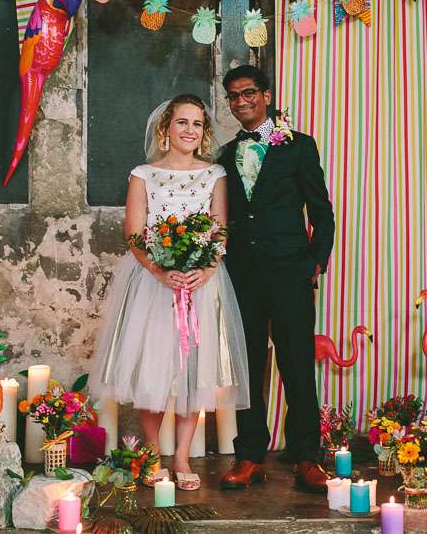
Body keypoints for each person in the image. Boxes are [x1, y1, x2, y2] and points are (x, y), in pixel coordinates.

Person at [89, 94, 250, 491]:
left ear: (204, 131)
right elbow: (134, 233)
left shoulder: (214, 174)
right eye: (182, 122)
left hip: (201, 284)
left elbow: (220, 230)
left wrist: (204, 270)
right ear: (166, 128)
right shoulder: (143, 174)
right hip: (154, 284)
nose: (189, 130)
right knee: (153, 368)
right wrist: (161, 271)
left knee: (193, 370)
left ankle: (180, 456)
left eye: (197, 124)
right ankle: (151, 451)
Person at [216, 65, 336, 493]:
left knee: (297, 364)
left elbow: (321, 212)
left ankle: (306, 456)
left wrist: (315, 261)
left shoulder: (299, 146)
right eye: (233, 96)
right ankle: (249, 455)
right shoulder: (224, 156)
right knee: (247, 367)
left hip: (290, 272)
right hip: (241, 276)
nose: (241, 101)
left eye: (248, 93)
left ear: (266, 95)